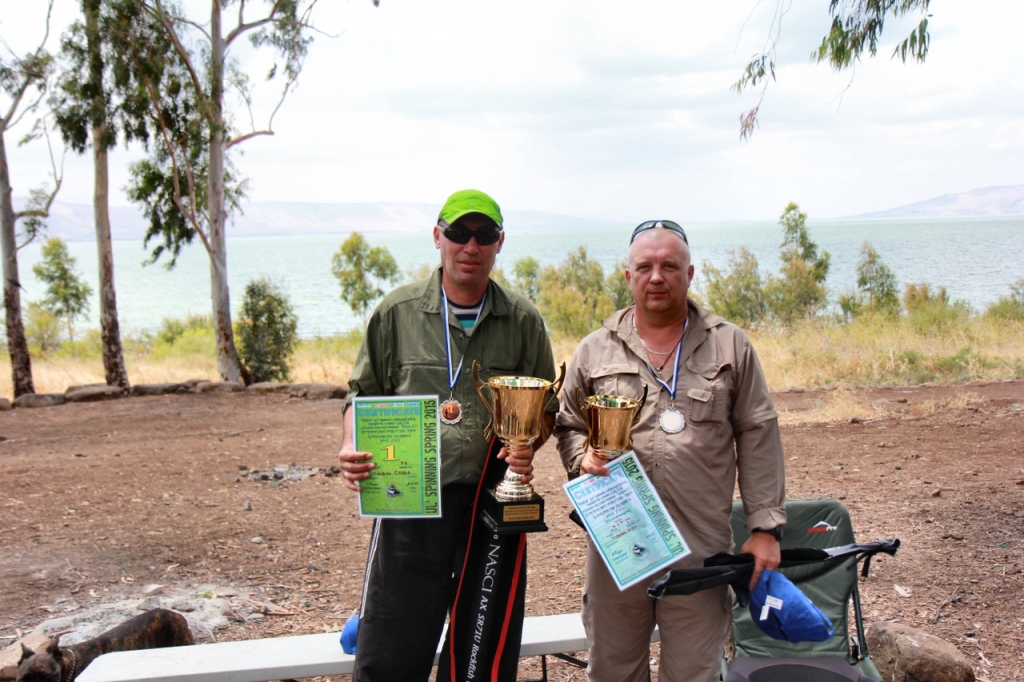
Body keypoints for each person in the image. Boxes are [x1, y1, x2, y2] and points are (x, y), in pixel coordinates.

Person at [337, 189, 557, 682]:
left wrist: (527, 446)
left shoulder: (523, 321)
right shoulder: (396, 312)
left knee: (483, 653)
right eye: (458, 233)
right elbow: (360, 394)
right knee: (391, 648)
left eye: (484, 235)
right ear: (438, 237)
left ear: (500, 243)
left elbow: (545, 408)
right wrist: (352, 443)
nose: (470, 246)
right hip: (411, 502)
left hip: (492, 504)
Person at [554, 220, 786, 682]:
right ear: (628, 276)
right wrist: (582, 456)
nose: (656, 276)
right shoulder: (595, 350)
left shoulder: (729, 344)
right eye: (644, 266)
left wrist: (765, 527)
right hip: (617, 544)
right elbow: (569, 424)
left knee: (695, 674)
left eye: (669, 266)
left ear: (690, 272)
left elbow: (758, 432)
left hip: (699, 549)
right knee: (614, 671)